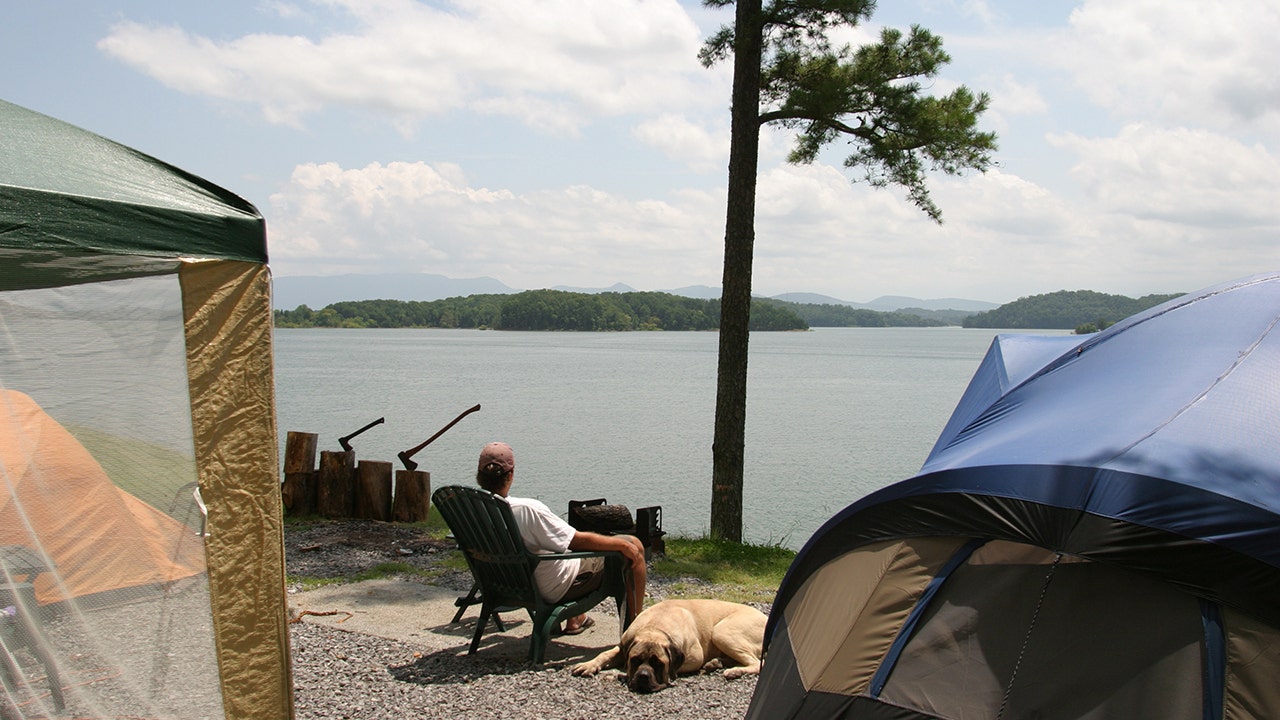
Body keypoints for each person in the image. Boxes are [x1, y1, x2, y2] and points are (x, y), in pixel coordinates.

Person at [476, 441, 646, 633]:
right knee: (634, 546)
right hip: (550, 588)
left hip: (503, 585)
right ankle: (636, 630)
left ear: (479, 476)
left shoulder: (472, 509)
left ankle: (575, 618)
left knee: (559, 546)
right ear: (511, 474)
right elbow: (576, 541)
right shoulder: (526, 510)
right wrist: (620, 545)